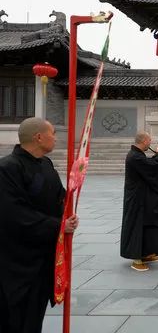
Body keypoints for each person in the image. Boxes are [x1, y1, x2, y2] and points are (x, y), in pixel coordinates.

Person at [0, 117, 79, 332]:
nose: (56, 138)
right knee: (14, 319)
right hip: (17, 261)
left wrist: (67, 211)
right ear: (38, 137)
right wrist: (57, 226)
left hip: (43, 257)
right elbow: (14, 214)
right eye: (52, 133)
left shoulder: (45, 163)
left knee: (34, 316)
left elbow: (58, 196)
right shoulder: (8, 168)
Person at [120, 132, 158, 272]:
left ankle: (145, 253)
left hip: (142, 197)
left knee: (146, 224)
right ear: (144, 140)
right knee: (137, 226)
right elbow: (151, 167)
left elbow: (149, 164)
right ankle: (136, 259)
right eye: (149, 141)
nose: (150, 143)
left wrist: (157, 156)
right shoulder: (135, 156)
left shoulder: (137, 155)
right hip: (136, 199)